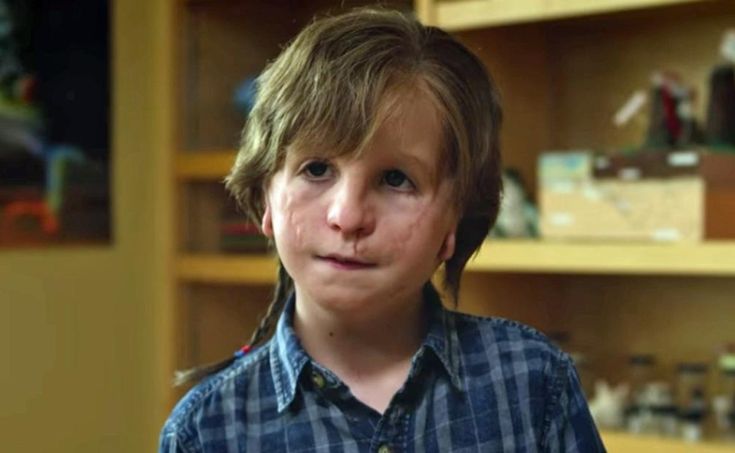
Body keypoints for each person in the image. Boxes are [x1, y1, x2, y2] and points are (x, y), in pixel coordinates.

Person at [160, 7, 605, 452]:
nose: (348, 216)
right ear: (265, 199)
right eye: (316, 169)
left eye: (396, 179)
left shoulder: (533, 384)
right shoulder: (207, 431)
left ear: (455, 220)